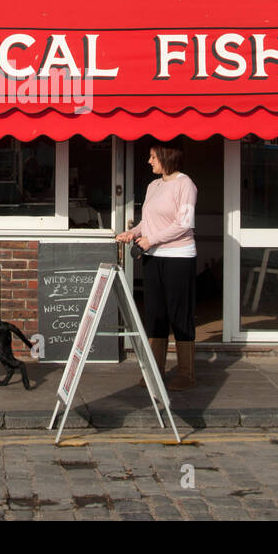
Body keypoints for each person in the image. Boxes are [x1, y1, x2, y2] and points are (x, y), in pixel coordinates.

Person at [116, 144, 198, 390]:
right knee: (155, 314)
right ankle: (156, 371)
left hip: (179, 258)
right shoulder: (154, 186)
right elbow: (148, 221)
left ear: (166, 157)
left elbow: (184, 223)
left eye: (153, 157)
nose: (149, 161)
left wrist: (152, 239)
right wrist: (133, 232)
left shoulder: (185, 184)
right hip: (153, 257)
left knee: (179, 315)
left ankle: (186, 374)